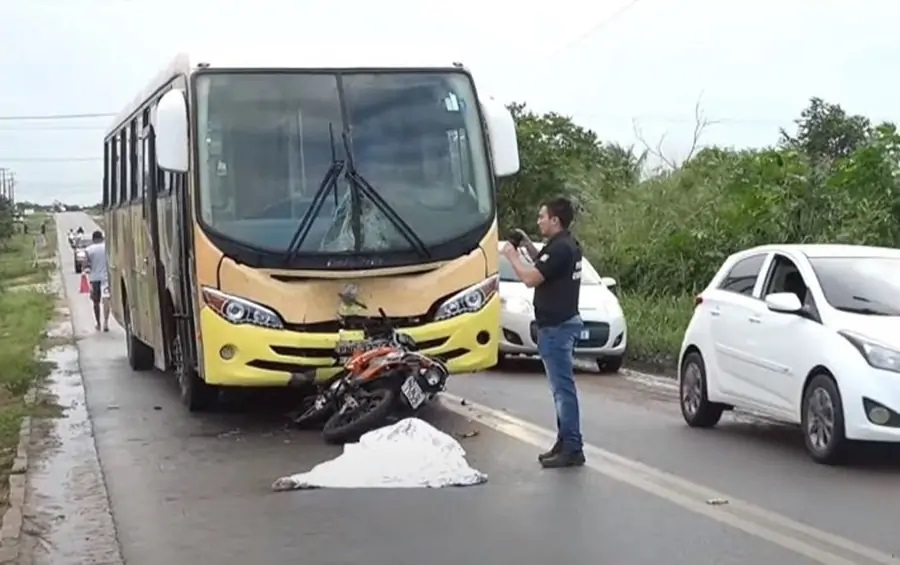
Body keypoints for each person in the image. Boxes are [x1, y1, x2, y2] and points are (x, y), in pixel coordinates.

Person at [501, 196, 585, 468]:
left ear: (555, 220)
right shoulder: (567, 245)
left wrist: (512, 255)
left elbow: (530, 278)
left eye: (542, 216)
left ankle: (572, 446)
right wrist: (526, 245)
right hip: (562, 323)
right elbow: (545, 266)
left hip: (557, 328)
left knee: (562, 390)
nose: (538, 221)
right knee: (561, 388)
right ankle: (565, 441)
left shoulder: (560, 249)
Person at [83, 230, 111, 332]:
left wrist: (86, 268)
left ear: (93, 239)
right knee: (106, 299)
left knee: (96, 302)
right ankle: (106, 323)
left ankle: (98, 323)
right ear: (102, 238)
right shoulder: (107, 248)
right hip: (106, 277)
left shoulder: (89, 249)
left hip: (94, 278)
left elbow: (85, 264)